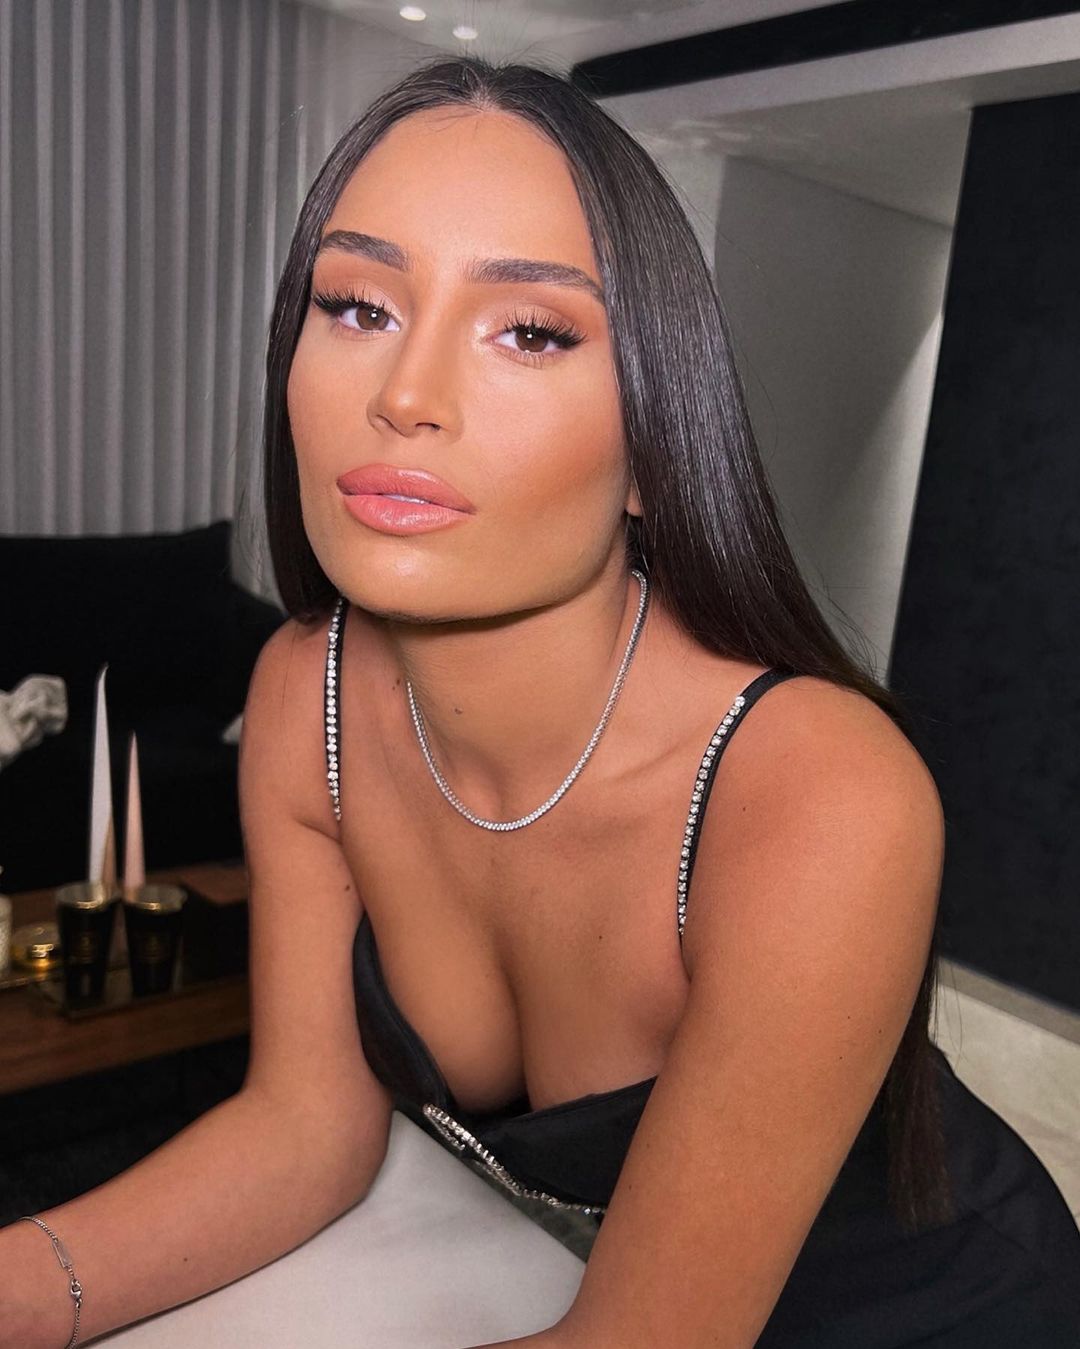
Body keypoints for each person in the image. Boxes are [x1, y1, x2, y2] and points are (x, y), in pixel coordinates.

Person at [4, 53, 1079, 1349]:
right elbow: (305, 1128)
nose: (403, 395)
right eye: (358, 306)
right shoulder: (308, 698)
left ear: (654, 444)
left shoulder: (814, 792)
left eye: (529, 331)